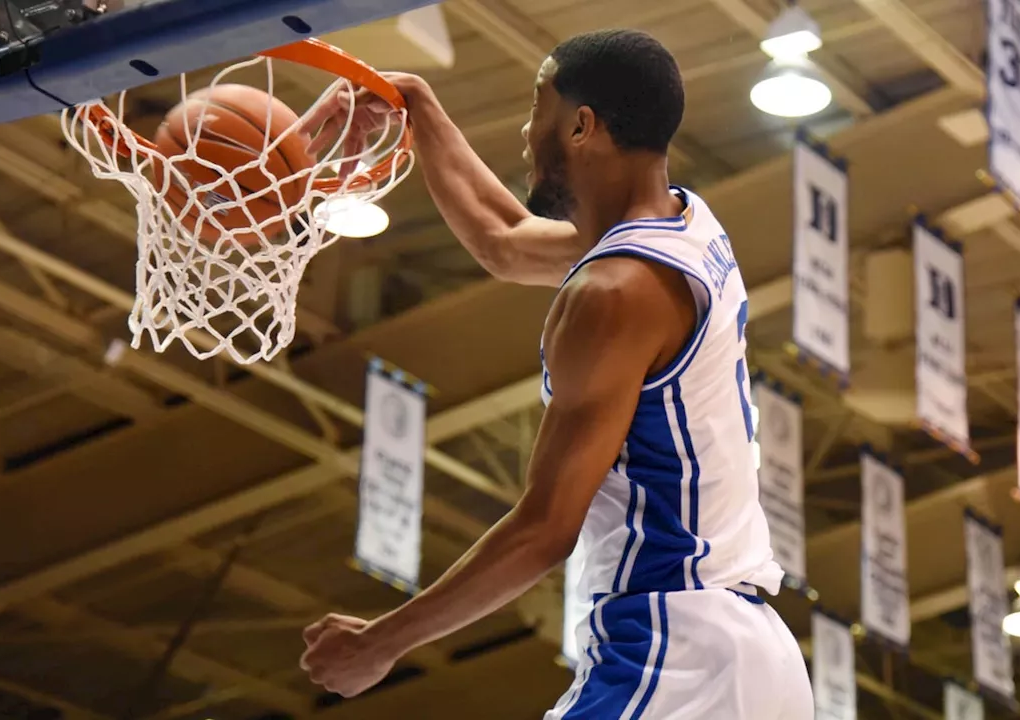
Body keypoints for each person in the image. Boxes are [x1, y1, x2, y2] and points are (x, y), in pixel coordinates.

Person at [298, 28, 815, 719]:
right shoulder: (686, 226)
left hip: (676, 647)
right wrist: (415, 108)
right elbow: (505, 241)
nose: (523, 130)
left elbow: (545, 528)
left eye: (536, 105)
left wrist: (380, 644)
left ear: (581, 125)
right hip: (749, 654)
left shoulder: (615, 294)